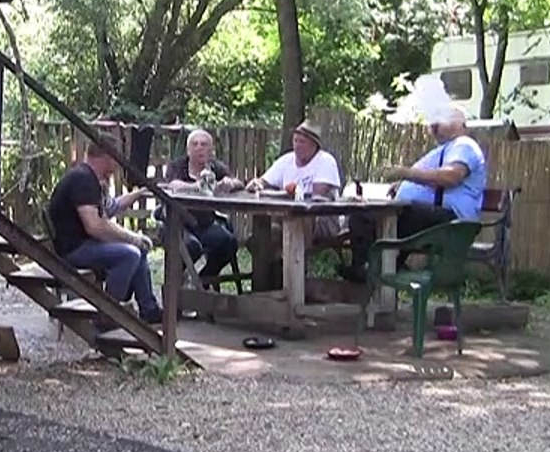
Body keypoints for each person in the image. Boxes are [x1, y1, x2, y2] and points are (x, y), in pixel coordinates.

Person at [346, 105, 488, 281]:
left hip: (452, 222)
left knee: (373, 215)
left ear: (461, 124)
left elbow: (451, 176)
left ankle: (373, 271)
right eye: (433, 123)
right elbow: (434, 178)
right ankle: (375, 269)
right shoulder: (449, 148)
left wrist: (406, 174)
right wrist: (404, 184)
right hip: (437, 218)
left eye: (441, 121)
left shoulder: (464, 145)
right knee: (365, 215)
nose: (434, 127)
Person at [46, 135, 162, 325]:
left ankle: (149, 310)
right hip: (74, 250)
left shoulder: (89, 178)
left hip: (85, 243)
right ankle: (107, 315)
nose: (118, 163)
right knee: (130, 254)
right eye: (117, 157)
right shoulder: (82, 180)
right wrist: (131, 237)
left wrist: (140, 192)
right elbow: (95, 226)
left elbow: (109, 208)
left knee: (138, 250)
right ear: (107, 156)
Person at [160, 129, 243, 282]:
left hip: (205, 224)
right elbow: (173, 184)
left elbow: (237, 182)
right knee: (191, 247)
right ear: (188, 149)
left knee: (229, 243)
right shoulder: (177, 166)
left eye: (204, 144)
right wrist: (197, 186)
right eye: (195, 144)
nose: (199, 148)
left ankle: (202, 281)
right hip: (178, 225)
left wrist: (228, 183)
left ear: (211, 151)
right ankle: (175, 286)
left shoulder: (214, 167)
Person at [245, 120, 345, 241]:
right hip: (286, 217)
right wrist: (257, 184)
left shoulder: (325, 161)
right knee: (261, 236)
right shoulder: (286, 160)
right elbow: (263, 181)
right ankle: (270, 255)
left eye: (302, 142)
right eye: (295, 140)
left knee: (300, 223)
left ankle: (298, 258)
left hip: (321, 219)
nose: (297, 145)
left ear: (314, 144)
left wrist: (291, 191)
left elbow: (317, 196)